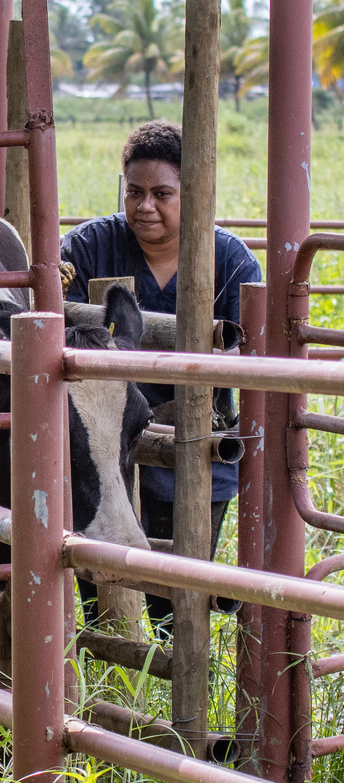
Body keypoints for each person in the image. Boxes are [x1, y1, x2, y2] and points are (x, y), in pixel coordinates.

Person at [60, 119, 262, 631]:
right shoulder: (86, 249)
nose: (145, 206)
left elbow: (251, 359)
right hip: (103, 446)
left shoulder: (231, 261)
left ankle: (181, 700)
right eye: (134, 192)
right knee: (99, 593)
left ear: (192, 193)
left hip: (196, 445)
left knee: (179, 601)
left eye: (161, 193)